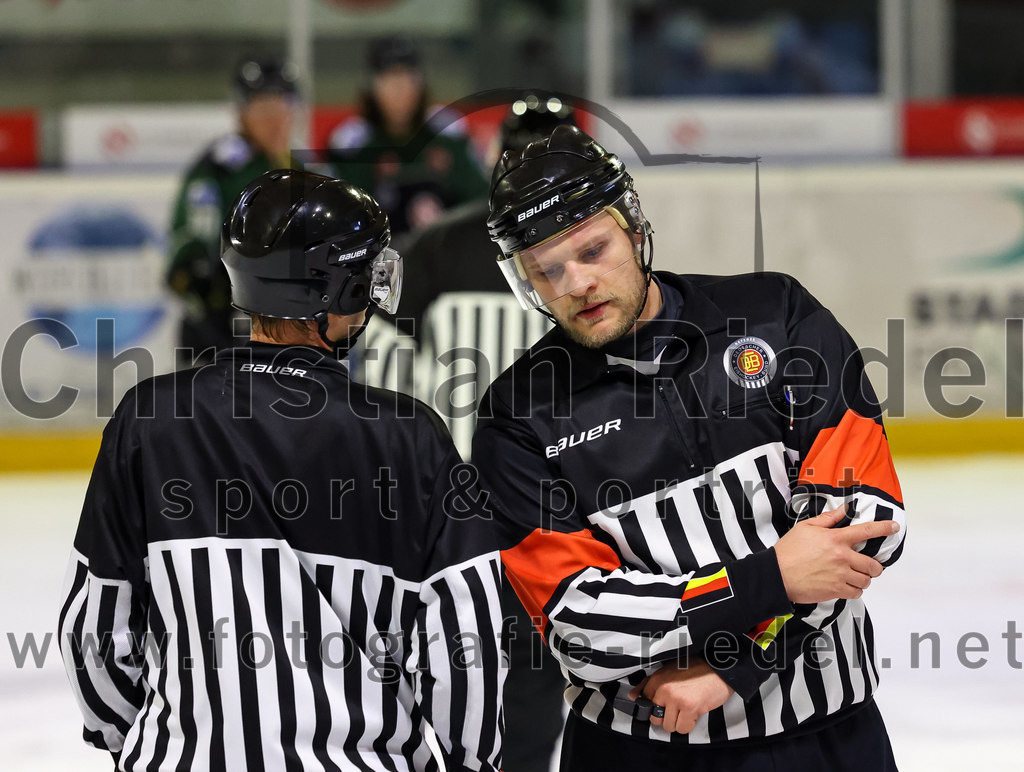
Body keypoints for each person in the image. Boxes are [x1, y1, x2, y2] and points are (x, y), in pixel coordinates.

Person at [473, 125, 907, 771]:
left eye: (593, 250)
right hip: (635, 753)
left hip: (826, 740)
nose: (577, 284)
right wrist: (771, 579)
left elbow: (867, 526)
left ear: (634, 226)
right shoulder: (518, 416)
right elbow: (582, 626)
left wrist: (737, 663)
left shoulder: (775, 316)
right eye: (547, 270)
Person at [59, 170, 504, 772]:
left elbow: (94, 632)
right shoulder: (411, 437)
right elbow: (466, 644)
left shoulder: (150, 418)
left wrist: (152, 748)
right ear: (338, 292)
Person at [378, 94, 577, 772]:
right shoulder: (438, 248)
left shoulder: (582, 265)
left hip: (545, 510)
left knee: (530, 685)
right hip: (451, 504)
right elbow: (382, 367)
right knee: (426, 671)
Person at [166, 58, 300, 367]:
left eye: (282, 105)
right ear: (241, 112)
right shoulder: (219, 170)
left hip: (287, 331)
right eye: (263, 108)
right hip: (224, 329)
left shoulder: (301, 170)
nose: (275, 118)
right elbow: (189, 261)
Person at [326, 36, 489, 242]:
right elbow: (341, 216)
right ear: (372, 87)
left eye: (407, 77)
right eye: (390, 79)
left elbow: (480, 199)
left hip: (446, 254)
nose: (400, 89)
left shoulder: (447, 131)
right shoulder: (352, 142)